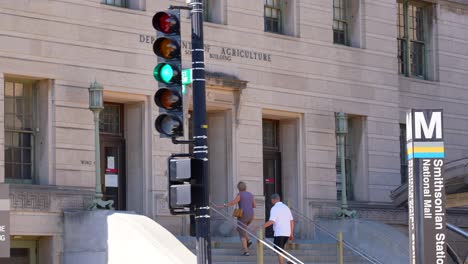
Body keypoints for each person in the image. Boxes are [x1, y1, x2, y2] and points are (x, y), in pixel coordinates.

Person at [221, 181, 256, 256]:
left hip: (243, 215)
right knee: (240, 229)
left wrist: (225, 205)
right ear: (245, 187)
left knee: (241, 233)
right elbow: (254, 205)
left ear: (238, 188)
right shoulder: (250, 194)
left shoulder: (240, 194)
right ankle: (249, 240)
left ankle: (246, 251)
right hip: (251, 215)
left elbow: (234, 202)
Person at [260, 193, 294, 264]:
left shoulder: (274, 208)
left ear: (273, 200)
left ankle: (287, 261)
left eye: (271, 200)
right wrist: (291, 233)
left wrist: (261, 226)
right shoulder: (286, 207)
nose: (271, 201)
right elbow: (291, 221)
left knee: (279, 251)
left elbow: (272, 221)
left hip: (279, 233)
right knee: (281, 249)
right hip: (287, 232)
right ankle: (289, 259)